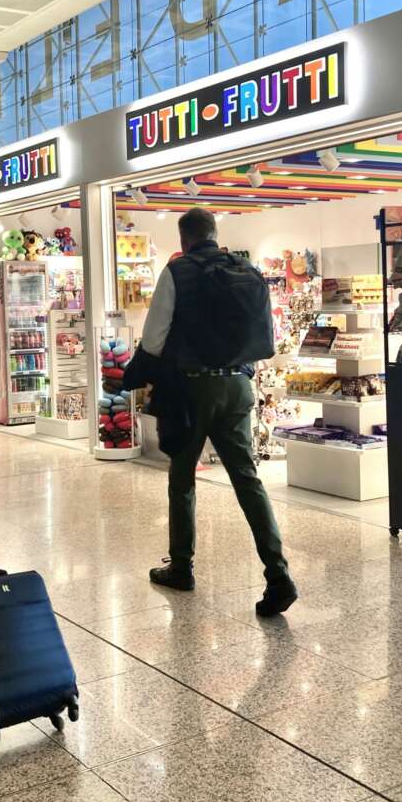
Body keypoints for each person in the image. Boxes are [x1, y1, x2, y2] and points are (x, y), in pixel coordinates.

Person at [136, 208, 297, 616]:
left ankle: (182, 567)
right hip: (239, 386)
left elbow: (153, 339)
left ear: (184, 238)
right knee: (247, 480)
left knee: (182, 477)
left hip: (192, 389)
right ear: (213, 233)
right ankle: (278, 574)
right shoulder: (246, 270)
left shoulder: (177, 272)